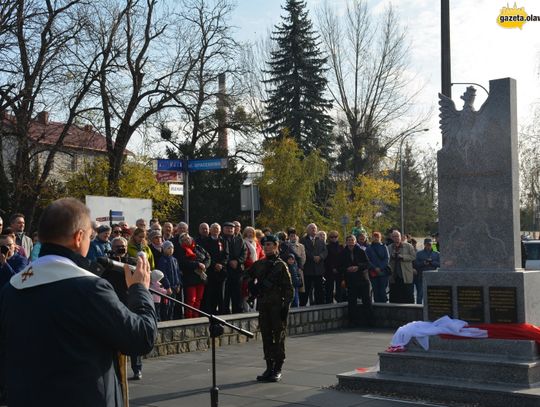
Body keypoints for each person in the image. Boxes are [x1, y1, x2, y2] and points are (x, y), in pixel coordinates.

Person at [0, 198, 157, 407]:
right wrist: (140, 289)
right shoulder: (90, 289)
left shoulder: (12, 289)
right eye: (89, 237)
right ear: (79, 237)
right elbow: (141, 338)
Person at [248, 235, 293, 382]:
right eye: (265, 244)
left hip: (277, 306)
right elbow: (247, 275)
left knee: (278, 337)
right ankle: (269, 366)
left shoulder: (281, 265)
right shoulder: (259, 264)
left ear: (276, 246)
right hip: (264, 305)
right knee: (266, 336)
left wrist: (285, 306)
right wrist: (252, 286)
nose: (267, 247)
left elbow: (289, 289)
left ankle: (278, 368)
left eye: (269, 244)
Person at [339, 235, 373, 327]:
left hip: (362, 279)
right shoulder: (343, 253)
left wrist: (358, 267)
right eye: (349, 240)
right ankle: (353, 321)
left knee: (366, 300)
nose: (351, 242)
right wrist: (347, 269)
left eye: (352, 240)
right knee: (352, 301)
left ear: (355, 241)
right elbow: (340, 267)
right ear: (346, 242)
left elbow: (368, 264)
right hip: (351, 280)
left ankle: (369, 321)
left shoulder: (361, 251)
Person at [176, 233, 211, 318]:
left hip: (200, 277)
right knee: (191, 299)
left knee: (199, 299)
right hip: (190, 278)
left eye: (188, 238)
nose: (187, 240)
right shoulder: (181, 250)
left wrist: (204, 265)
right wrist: (198, 264)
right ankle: (189, 316)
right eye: (184, 240)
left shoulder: (198, 247)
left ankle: (196, 315)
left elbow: (208, 257)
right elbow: (183, 263)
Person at [199, 223, 229, 315]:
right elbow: (206, 256)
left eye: (217, 229)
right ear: (210, 230)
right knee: (210, 294)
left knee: (221, 294)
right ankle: (211, 312)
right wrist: (214, 264)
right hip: (211, 271)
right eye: (214, 228)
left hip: (221, 272)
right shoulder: (206, 241)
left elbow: (226, 255)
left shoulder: (223, 241)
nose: (216, 230)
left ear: (220, 231)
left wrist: (221, 264)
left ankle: (222, 312)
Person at [299, 223, 327, 306]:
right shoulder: (303, 240)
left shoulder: (320, 240)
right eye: (311, 228)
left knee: (319, 289)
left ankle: (320, 304)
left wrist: (320, 257)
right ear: (307, 230)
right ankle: (303, 305)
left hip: (318, 269)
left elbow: (325, 251)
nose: (314, 230)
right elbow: (304, 251)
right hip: (308, 268)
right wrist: (313, 257)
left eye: (315, 228)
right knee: (306, 288)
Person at [222, 222, 247, 314]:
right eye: (227, 228)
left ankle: (237, 311)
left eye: (231, 228)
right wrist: (229, 262)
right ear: (223, 229)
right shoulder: (220, 240)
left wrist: (238, 261)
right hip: (225, 270)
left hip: (238, 270)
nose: (230, 230)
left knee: (237, 293)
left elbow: (244, 253)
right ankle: (225, 311)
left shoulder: (240, 240)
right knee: (225, 293)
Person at [388, 230, 416, 304]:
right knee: (394, 296)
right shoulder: (389, 247)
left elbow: (413, 256)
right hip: (394, 275)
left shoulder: (408, 246)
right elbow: (386, 259)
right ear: (391, 238)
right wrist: (392, 256)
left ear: (400, 237)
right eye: (394, 236)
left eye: (397, 236)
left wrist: (402, 257)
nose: (396, 238)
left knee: (408, 295)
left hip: (405, 275)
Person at [156, 241, 181, 321]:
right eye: (168, 248)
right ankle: (165, 320)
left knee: (172, 305)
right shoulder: (162, 260)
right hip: (168, 287)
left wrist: (178, 284)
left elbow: (177, 273)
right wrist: (167, 286)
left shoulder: (175, 260)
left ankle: (170, 319)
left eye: (172, 248)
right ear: (164, 249)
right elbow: (163, 275)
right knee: (166, 305)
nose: (171, 250)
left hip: (175, 286)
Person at [413, 238, 440, 304]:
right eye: (427, 244)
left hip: (433, 277)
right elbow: (415, 264)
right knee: (420, 295)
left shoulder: (437, 253)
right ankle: (418, 308)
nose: (429, 246)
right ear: (424, 244)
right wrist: (423, 263)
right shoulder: (419, 253)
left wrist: (432, 263)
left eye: (430, 244)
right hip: (421, 277)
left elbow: (440, 264)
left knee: (433, 295)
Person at [366, 232, 390, 303]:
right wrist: (374, 268)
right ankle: (377, 307)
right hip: (373, 273)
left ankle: (384, 307)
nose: (376, 238)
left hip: (383, 273)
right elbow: (367, 260)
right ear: (372, 238)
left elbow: (387, 258)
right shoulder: (369, 248)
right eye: (374, 237)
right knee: (375, 290)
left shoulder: (384, 247)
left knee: (383, 291)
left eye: (377, 237)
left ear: (380, 238)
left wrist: (381, 268)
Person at [324, 231, 344, 304]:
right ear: (329, 238)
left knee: (339, 288)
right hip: (329, 270)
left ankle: (339, 301)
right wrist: (332, 268)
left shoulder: (341, 247)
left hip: (339, 270)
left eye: (335, 237)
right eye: (332, 237)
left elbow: (343, 259)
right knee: (329, 288)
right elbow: (327, 259)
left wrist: (338, 268)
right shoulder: (327, 247)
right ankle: (329, 303)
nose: (334, 238)